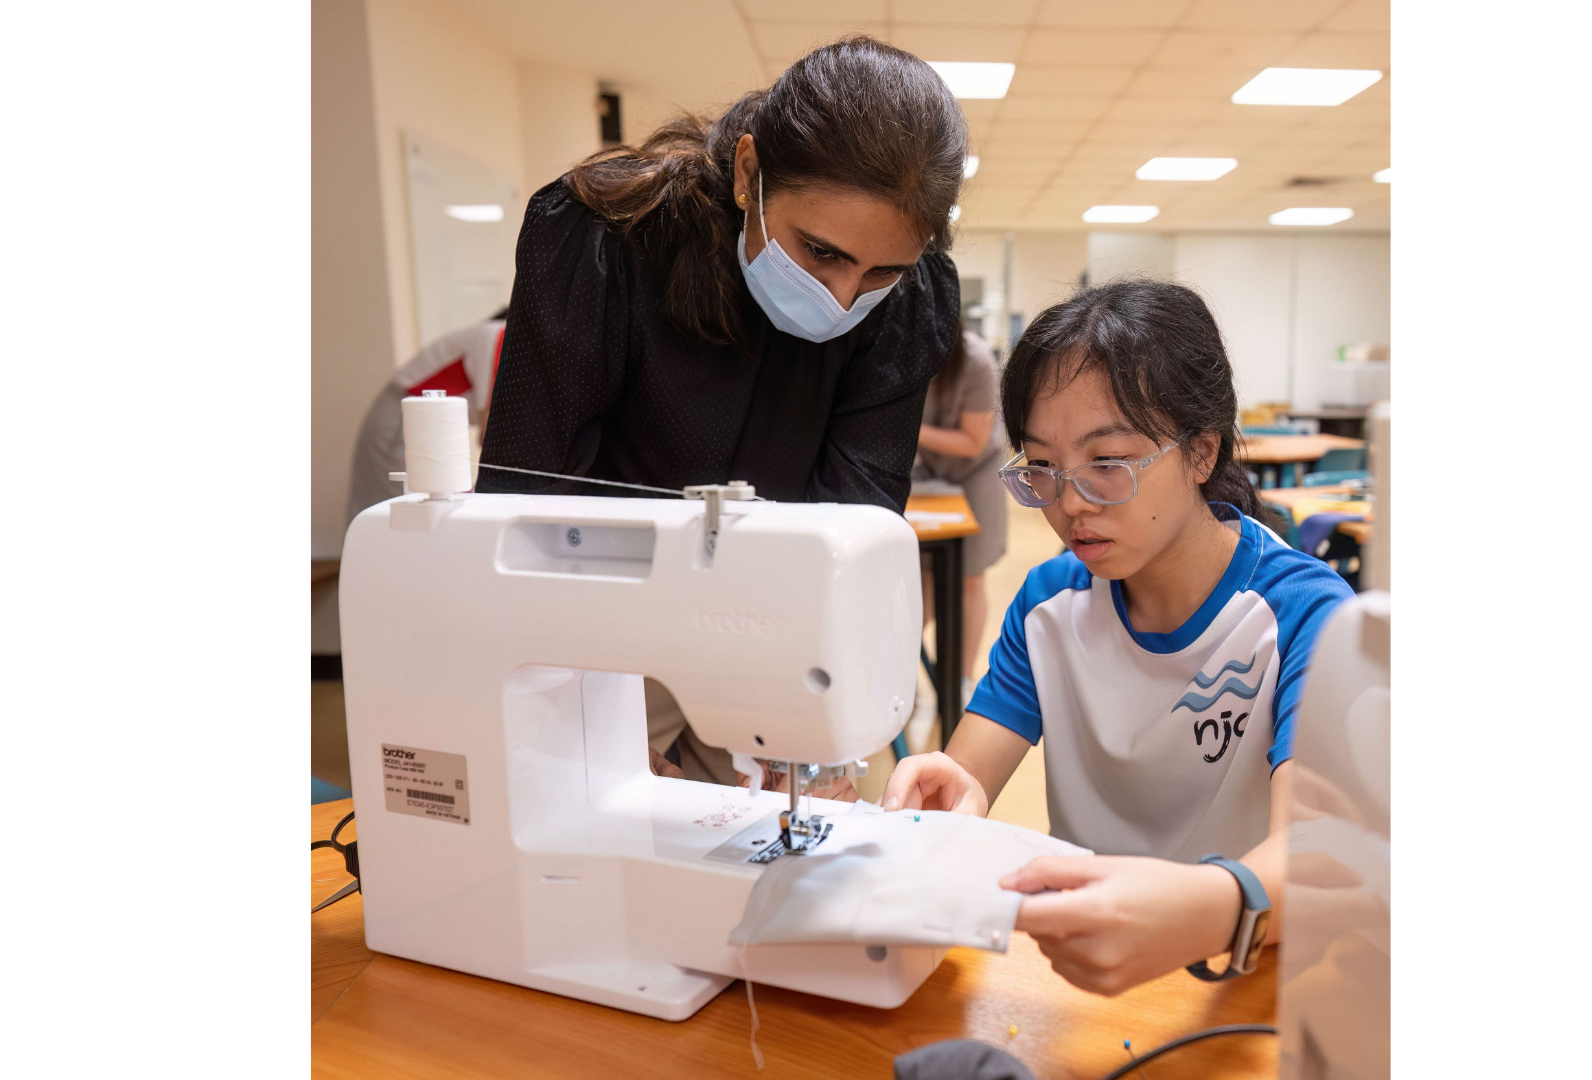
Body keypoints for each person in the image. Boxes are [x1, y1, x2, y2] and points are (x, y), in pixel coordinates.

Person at [477, 37, 966, 792]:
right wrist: (568, 713)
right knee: (593, 828)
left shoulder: (910, 301)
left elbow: (857, 516)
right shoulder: (606, 238)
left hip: (767, 627)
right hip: (594, 616)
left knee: (781, 836)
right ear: (748, 175)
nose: (844, 297)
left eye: (880, 271)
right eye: (820, 252)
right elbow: (526, 505)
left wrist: (816, 727)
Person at [881, 279, 1354, 994]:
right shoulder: (1048, 605)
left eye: (1108, 464)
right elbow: (967, 778)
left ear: (1201, 453)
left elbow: (1320, 859)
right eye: (1042, 467)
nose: (1069, 503)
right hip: (1090, 979)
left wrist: (1213, 910)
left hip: (1251, 976)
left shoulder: (1303, 616)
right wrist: (954, 797)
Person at [914, 325, 1008, 699]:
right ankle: (904, 676)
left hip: (976, 473)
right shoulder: (901, 350)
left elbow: (973, 442)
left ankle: (961, 682)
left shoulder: (976, 361)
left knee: (969, 578)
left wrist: (908, 430)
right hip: (927, 471)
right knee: (921, 576)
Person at [345, 309, 506, 524]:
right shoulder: (495, 335)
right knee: (399, 501)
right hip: (404, 417)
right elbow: (490, 433)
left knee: (427, 499)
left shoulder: (493, 335)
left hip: (425, 422)